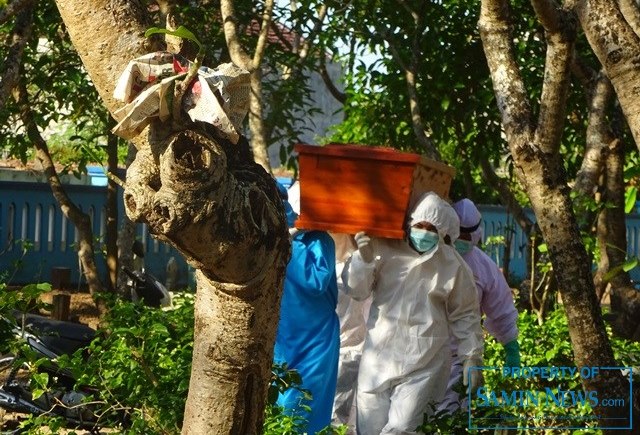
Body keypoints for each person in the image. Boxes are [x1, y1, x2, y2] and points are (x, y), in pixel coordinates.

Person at [341, 191, 484, 435]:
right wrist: (362, 261)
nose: (424, 232)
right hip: (379, 357)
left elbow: (466, 314)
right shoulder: (384, 248)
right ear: (410, 223)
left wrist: (472, 356)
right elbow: (356, 290)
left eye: (431, 229)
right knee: (368, 429)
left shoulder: (452, 265)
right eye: (420, 225)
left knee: (403, 429)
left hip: (425, 363)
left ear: (443, 233)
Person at [439, 198, 521, 412]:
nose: (461, 240)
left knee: (450, 417)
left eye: (466, 236)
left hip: (460, 357)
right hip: (420, 354)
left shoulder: (485, 268)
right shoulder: (430, 258)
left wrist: (511, 347)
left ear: (476, 234)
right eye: (458, 233)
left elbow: (501, 308)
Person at [273, 180, 341, 434]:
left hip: (316, 340)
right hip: (283, 335)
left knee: (304, 406)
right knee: (280, 406)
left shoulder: (320, 241)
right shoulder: (272, 239)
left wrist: (292, 242)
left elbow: (315, 282)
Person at [329, 231, 371, 434]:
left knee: (339, 416)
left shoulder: (360, 262)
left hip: (350, 348)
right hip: (328, 347)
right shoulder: (317, 257)